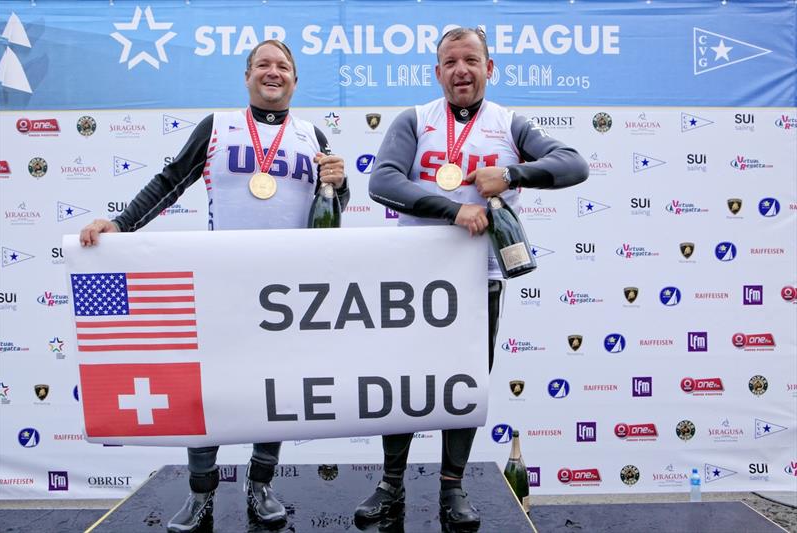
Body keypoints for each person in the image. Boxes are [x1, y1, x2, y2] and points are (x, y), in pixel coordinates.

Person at [79, 40, 348, 533]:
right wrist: (120, 225)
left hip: (284, 292)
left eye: (283, 66)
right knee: (207, 392)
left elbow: (327, 213)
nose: (273, 72)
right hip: (221, 285)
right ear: (247, 77)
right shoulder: (218, 126)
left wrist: (340, 184)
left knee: (276, 392)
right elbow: (170, 182)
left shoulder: (312, 135)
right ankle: (200, 493)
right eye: (263, 65)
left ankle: (261, 483)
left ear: (295, 80)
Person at [357, 27, 588, 531]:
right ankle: (390, 484)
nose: (461, 70)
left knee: (464, 384)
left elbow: (574, 165)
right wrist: (453, 210)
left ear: (489, 68)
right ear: (437, 72)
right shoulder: (416, 120)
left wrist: (512, 175)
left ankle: (452, 487)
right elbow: (382, 181)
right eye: (450, 62)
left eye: (471, 60)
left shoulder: (510, 124)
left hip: (479, 278)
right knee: (402, 383)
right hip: (413, 280)